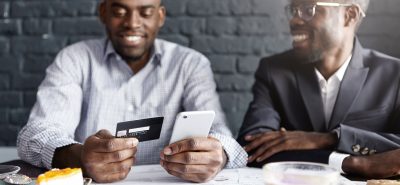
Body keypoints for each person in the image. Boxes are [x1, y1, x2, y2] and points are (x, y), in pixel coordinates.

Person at [17, 0, 247, 183]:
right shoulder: (74, 59)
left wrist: (218, 153)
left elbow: (223, 136)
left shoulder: (190, 64)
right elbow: (34, 135)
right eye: (119, 12)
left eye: (146, 13)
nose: (132, 23)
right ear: (103, 12)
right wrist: (79, 157)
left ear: (160, 16)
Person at [238, 0, 400, 178]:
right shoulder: (273, 71)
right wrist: (352, 163)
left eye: (309, 9)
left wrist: (325, 139)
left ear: (349, 15)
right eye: (294, 10)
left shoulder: (394, 74)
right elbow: (253, 149)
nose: (294, 20)